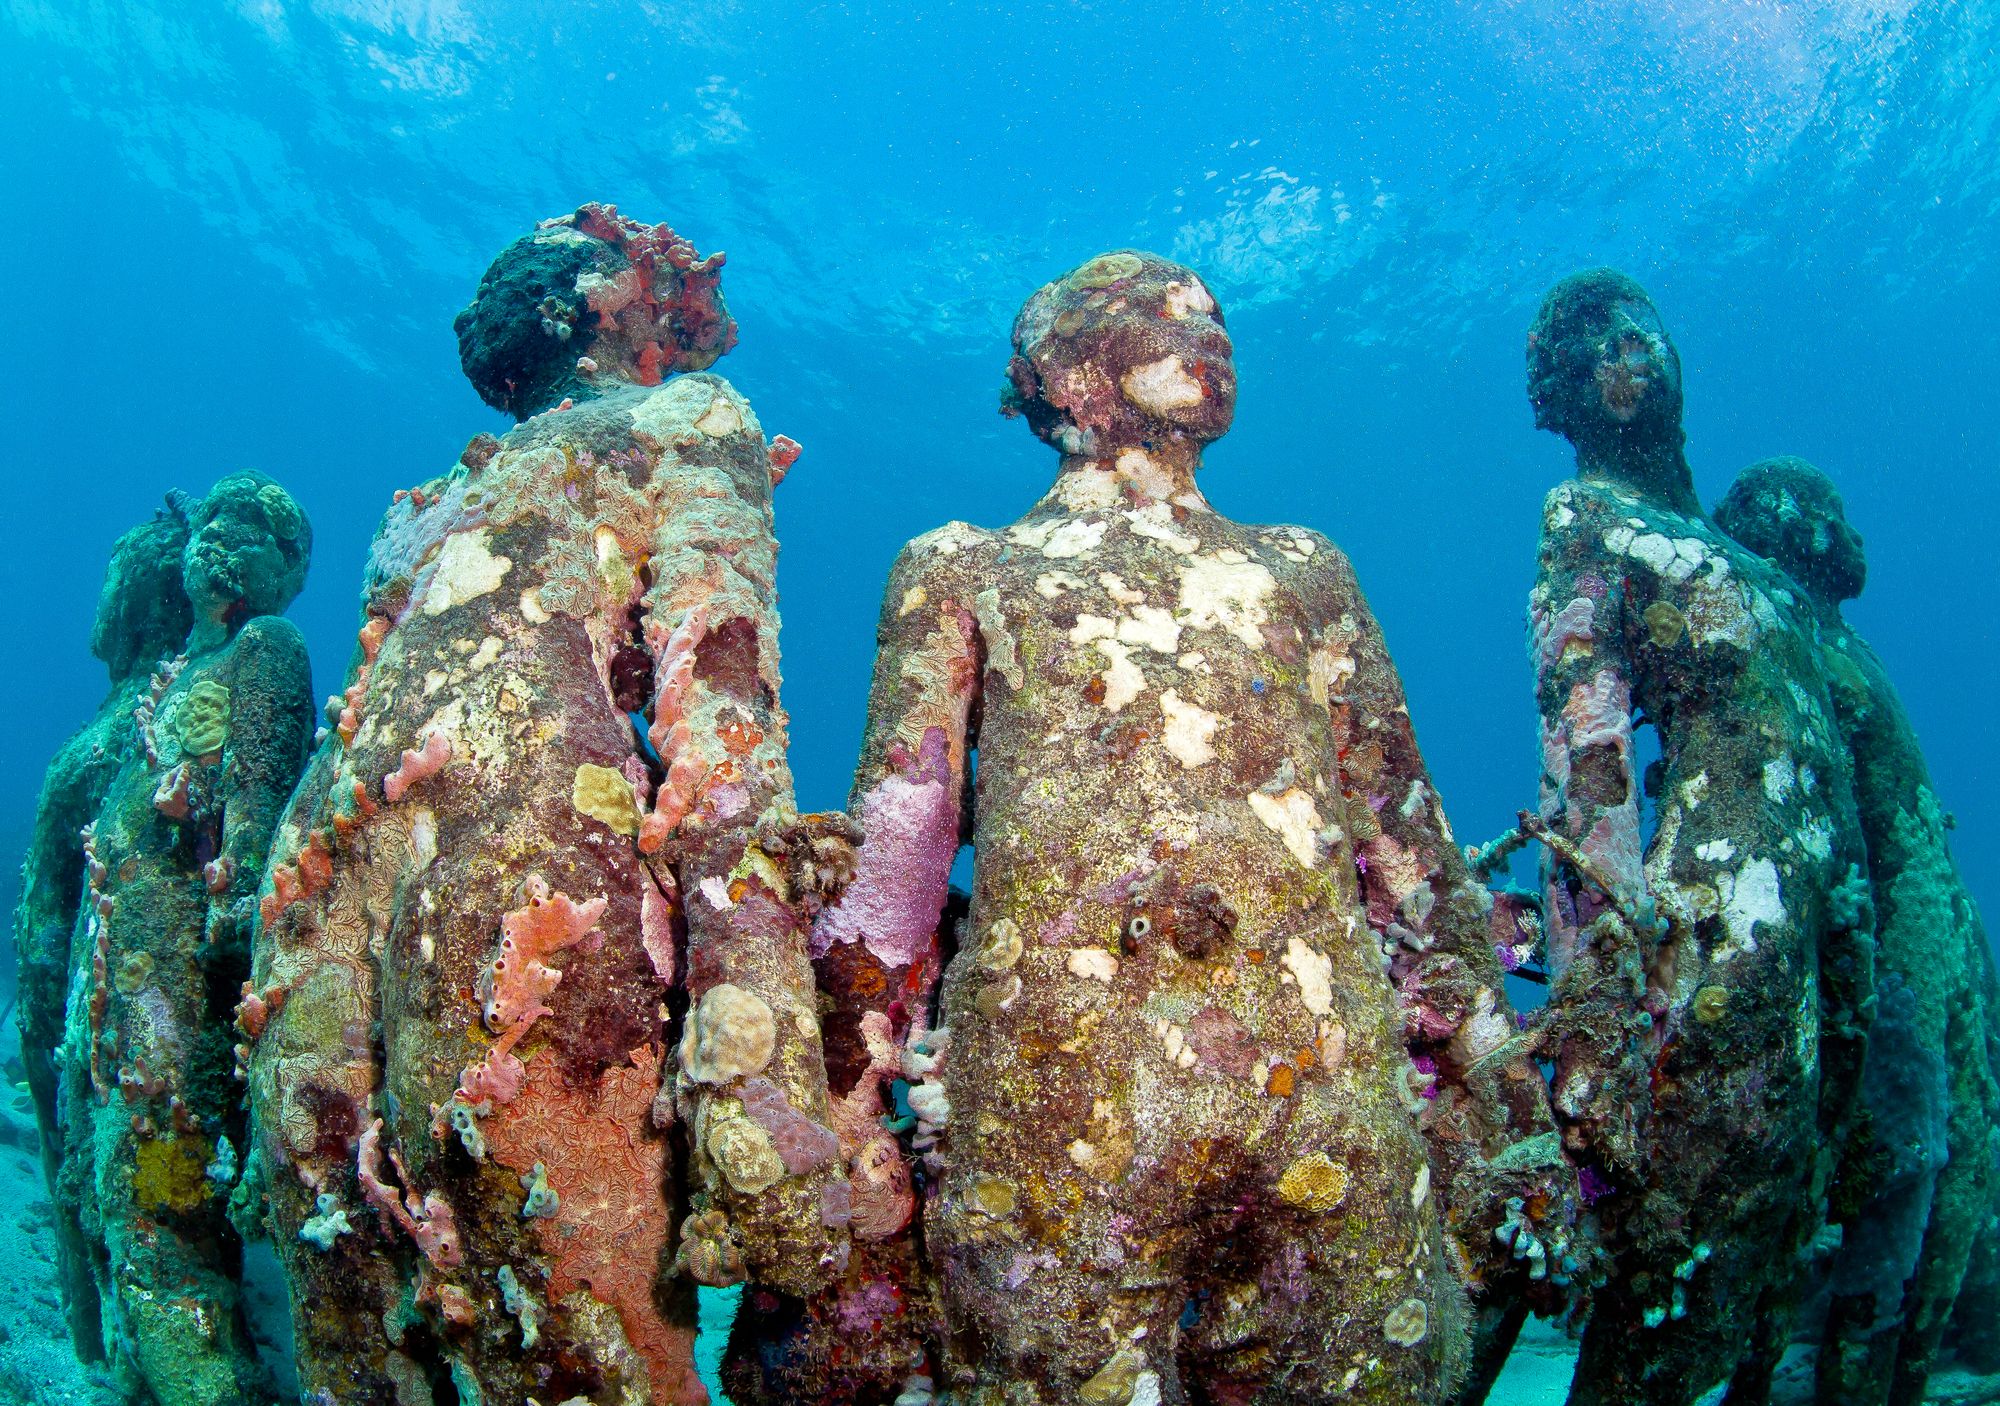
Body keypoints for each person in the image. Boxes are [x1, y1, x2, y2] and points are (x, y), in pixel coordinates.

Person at [790, 250, 1571, 1404]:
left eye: (1215, 316)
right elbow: (896, 865)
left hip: (1330, 1095)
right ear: (1057, 367)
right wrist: (844, 1115)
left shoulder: (1303, 569)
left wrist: (1493, 1063)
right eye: (1160, 311)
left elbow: (1404, 846)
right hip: (1053, 1106)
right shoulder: (964, 568)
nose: (1205, 330)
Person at [243, 203, 844, 1405]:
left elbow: (702, 696)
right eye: (647, 264)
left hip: (344, 871)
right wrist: (760, 1042)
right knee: (552, 1329)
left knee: (402, 1291)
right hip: (500, 855)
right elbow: (721, 714)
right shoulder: (686, 418)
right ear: (604, 305)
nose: (689, 274)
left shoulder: (433, 503)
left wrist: (750, 1040)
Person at [1524, 270, 1874, 1404]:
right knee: (1676, 1260)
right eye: (1593, 346)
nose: (1626, 353)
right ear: (1560, 391)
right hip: (1720, 928)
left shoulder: (1731, 549)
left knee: (1770, 1248)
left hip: (1814, 924)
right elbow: (1585, 755)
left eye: (1640, 330)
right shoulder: (1587, 518)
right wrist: (1597, 985)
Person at [1715, 456, 1997, 1403]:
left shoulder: (1825, 653)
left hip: (1923, 924)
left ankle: (1889, 1357)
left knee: (1949, 1147)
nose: (1856, 541)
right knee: (1923, 1154)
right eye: (1834, 519)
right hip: (1902, 938)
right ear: (1800, 539)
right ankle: (1872, 1367)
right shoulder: (1808, 656)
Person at [59, 471, 315, 1405]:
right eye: (216, 518)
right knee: (118, 1179)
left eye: (258, 531)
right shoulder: (167, 679)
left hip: (176, 973)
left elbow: (253, 827)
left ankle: (211, 1377)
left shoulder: (268, 650)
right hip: (120, 972)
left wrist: (230, 963)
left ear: (287, 575)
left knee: (158, 1197)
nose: (224, 538)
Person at [14, 504, 194, 1361]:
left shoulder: (100, 746)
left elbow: (42, 936)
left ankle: (94, 1335)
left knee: (107, 1194)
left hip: (119, 1028)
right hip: (172, 1020)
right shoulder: (189, 714)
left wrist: (39, 1025)